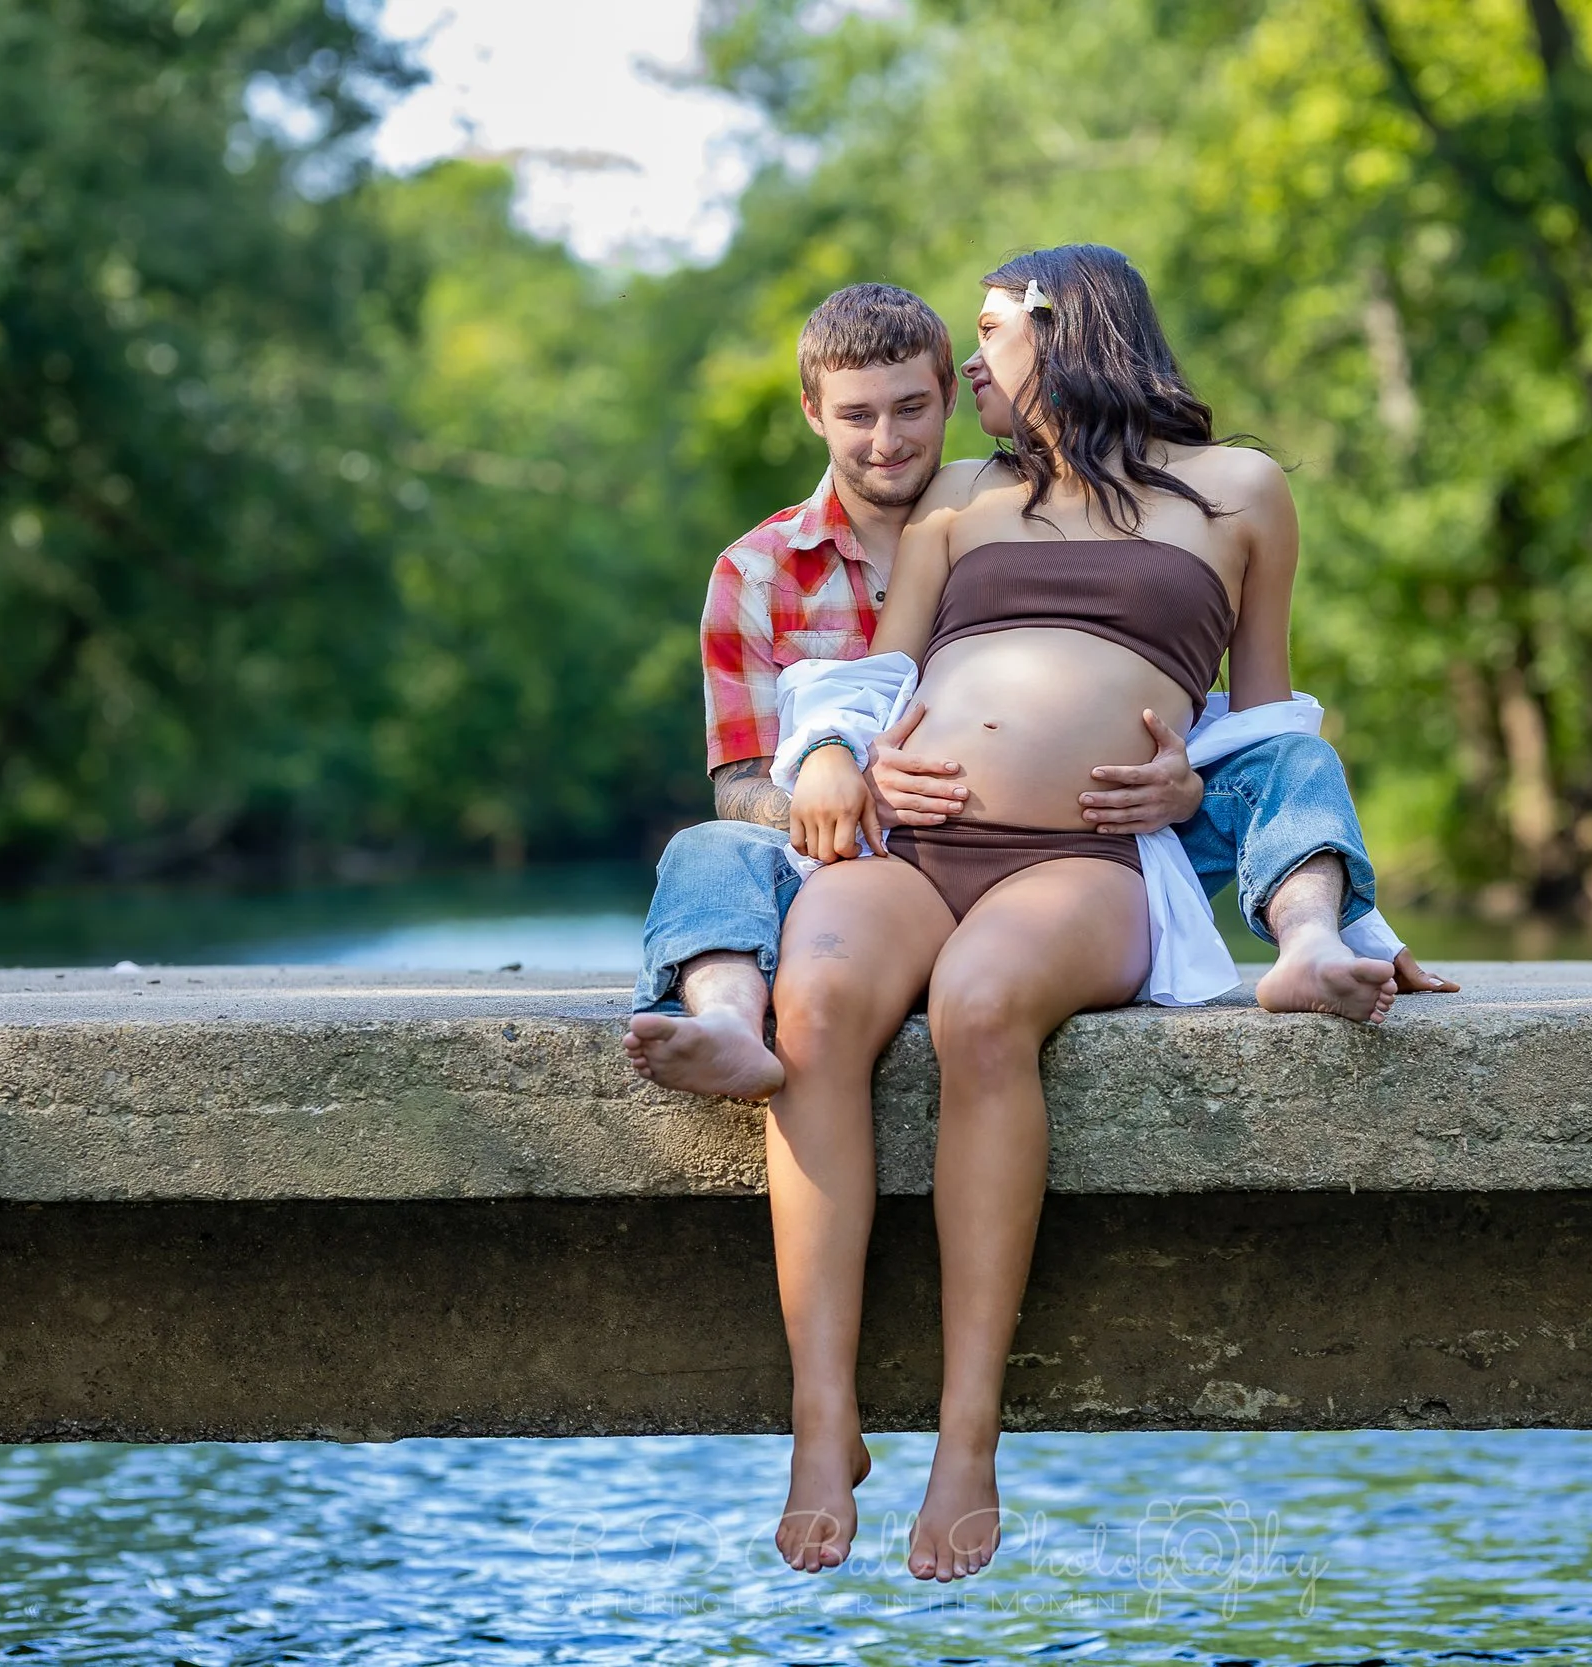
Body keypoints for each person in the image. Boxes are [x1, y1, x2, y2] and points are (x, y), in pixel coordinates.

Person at [762, 244, 1380, 1582]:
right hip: (913, 847)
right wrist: (838, 760)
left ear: (1069, 325)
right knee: (806, 993)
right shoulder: (959, 502)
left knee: (984, 1003)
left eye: (988, 335)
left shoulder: (1240, 489)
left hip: (1082, 870)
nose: (969, 366)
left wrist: (1187, 777)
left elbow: (1265, 722)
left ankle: (967, 1435)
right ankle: (823, 1415)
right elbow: (872, 682)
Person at [621, 283, 1452, 1100]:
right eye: (857, 415)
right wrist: (845, 785)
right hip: (874, 857)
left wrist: (1191, 785)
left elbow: (1196, 702)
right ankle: (728, 1020)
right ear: (814, 412)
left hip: (1102, 843)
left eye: (911, 408)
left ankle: (1310, 942)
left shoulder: (1002, 500)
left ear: (948, 397)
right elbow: (738, 781)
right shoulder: (757, 572)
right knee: (704, 850)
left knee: (1295, 758)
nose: (887, 440)